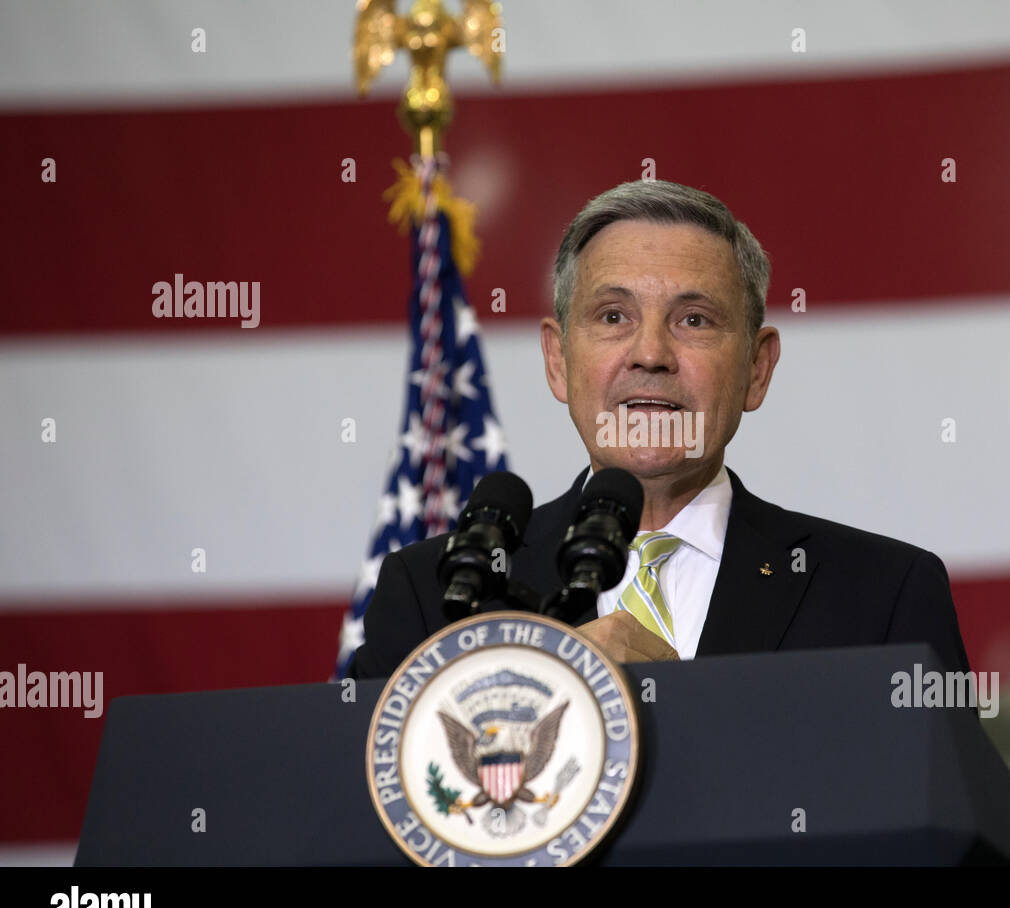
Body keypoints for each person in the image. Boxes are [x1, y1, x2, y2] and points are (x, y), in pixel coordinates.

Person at [346, 180, 971, 679]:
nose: (650, 354)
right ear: (557, 361)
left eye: (694, 320)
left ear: (757, 368)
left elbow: (939, 827)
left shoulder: (884, 597)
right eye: (613, 315)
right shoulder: (437, 595)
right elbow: (368, 817)